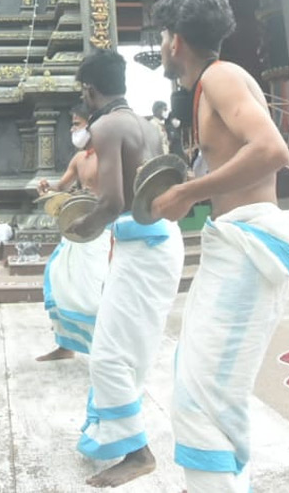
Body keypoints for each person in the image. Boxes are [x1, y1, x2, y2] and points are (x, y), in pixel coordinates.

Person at [147, 0, 289, 493]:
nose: (162, 44)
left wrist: (188, 193)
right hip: (234, 247)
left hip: (248, 249)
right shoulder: (208, 86)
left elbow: (272, 149)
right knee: (205, 389)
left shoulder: (221, 75)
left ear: (175, 41)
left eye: (163, 35)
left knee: (202, 402)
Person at [62, 50, 181, 488]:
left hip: (141, 247)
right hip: (161, 240)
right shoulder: (146, 124)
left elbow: (111, 202)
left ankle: (138, 453)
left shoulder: (105, 125)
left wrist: (79, 228)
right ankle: (118, 438)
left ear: (89, 90)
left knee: (109, 356)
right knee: (129, 352)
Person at [35, 106, 112, 362]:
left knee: (93, 293)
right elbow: (62, 185)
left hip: (101, 229)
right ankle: (65, 345)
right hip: (77, 229)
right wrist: (49, 186)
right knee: (58, 279)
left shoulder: (111, 155)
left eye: (77, 123)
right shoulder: (80, 158)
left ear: (92, 125)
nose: (72, 129)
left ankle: (103, 347)